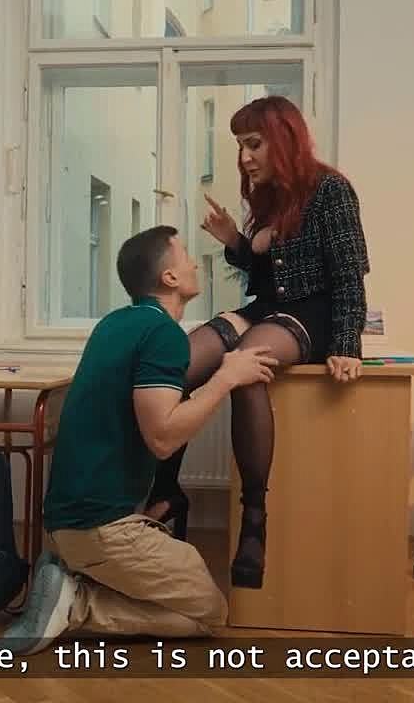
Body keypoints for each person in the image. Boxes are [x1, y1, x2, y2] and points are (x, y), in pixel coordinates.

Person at [0, 225, 280, 656]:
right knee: (209, 613)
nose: (193, 263)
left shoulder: (115, 324)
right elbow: (163, 438)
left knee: (183, 570)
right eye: (185, 256)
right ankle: (78, 604)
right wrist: (226, 378)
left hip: (70, 520)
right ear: (169, 277)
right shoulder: (163, 335)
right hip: (100, 528)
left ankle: (72, 575)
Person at [142, 96, 371, 590]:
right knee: (177, 363)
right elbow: (268, 273)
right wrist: (235, 243)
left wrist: (347, 344)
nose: (244, 157)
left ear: (283, 140)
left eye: (254, 144)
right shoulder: (271, 198)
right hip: (267, 308)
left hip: (312, 314)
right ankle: (165, 489)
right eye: (240, 146)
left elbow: (349, 274)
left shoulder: (330, 189)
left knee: (246, 367)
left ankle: (254, 519)